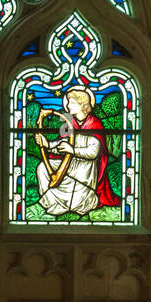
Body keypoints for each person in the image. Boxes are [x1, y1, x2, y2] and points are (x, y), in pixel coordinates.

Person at [35, 86, 120, 218]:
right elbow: (60, 144)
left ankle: (76, 203)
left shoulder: (94, 123)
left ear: (83, 105)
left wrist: (73, 150)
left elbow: (93, 152)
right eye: (68, 101)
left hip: (85, 169)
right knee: (42, 167)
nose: (68, 105)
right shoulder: (68, 122)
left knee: (77, 178)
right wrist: (48, 145)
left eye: (72, 102)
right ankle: (52, 202)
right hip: (70, 164)